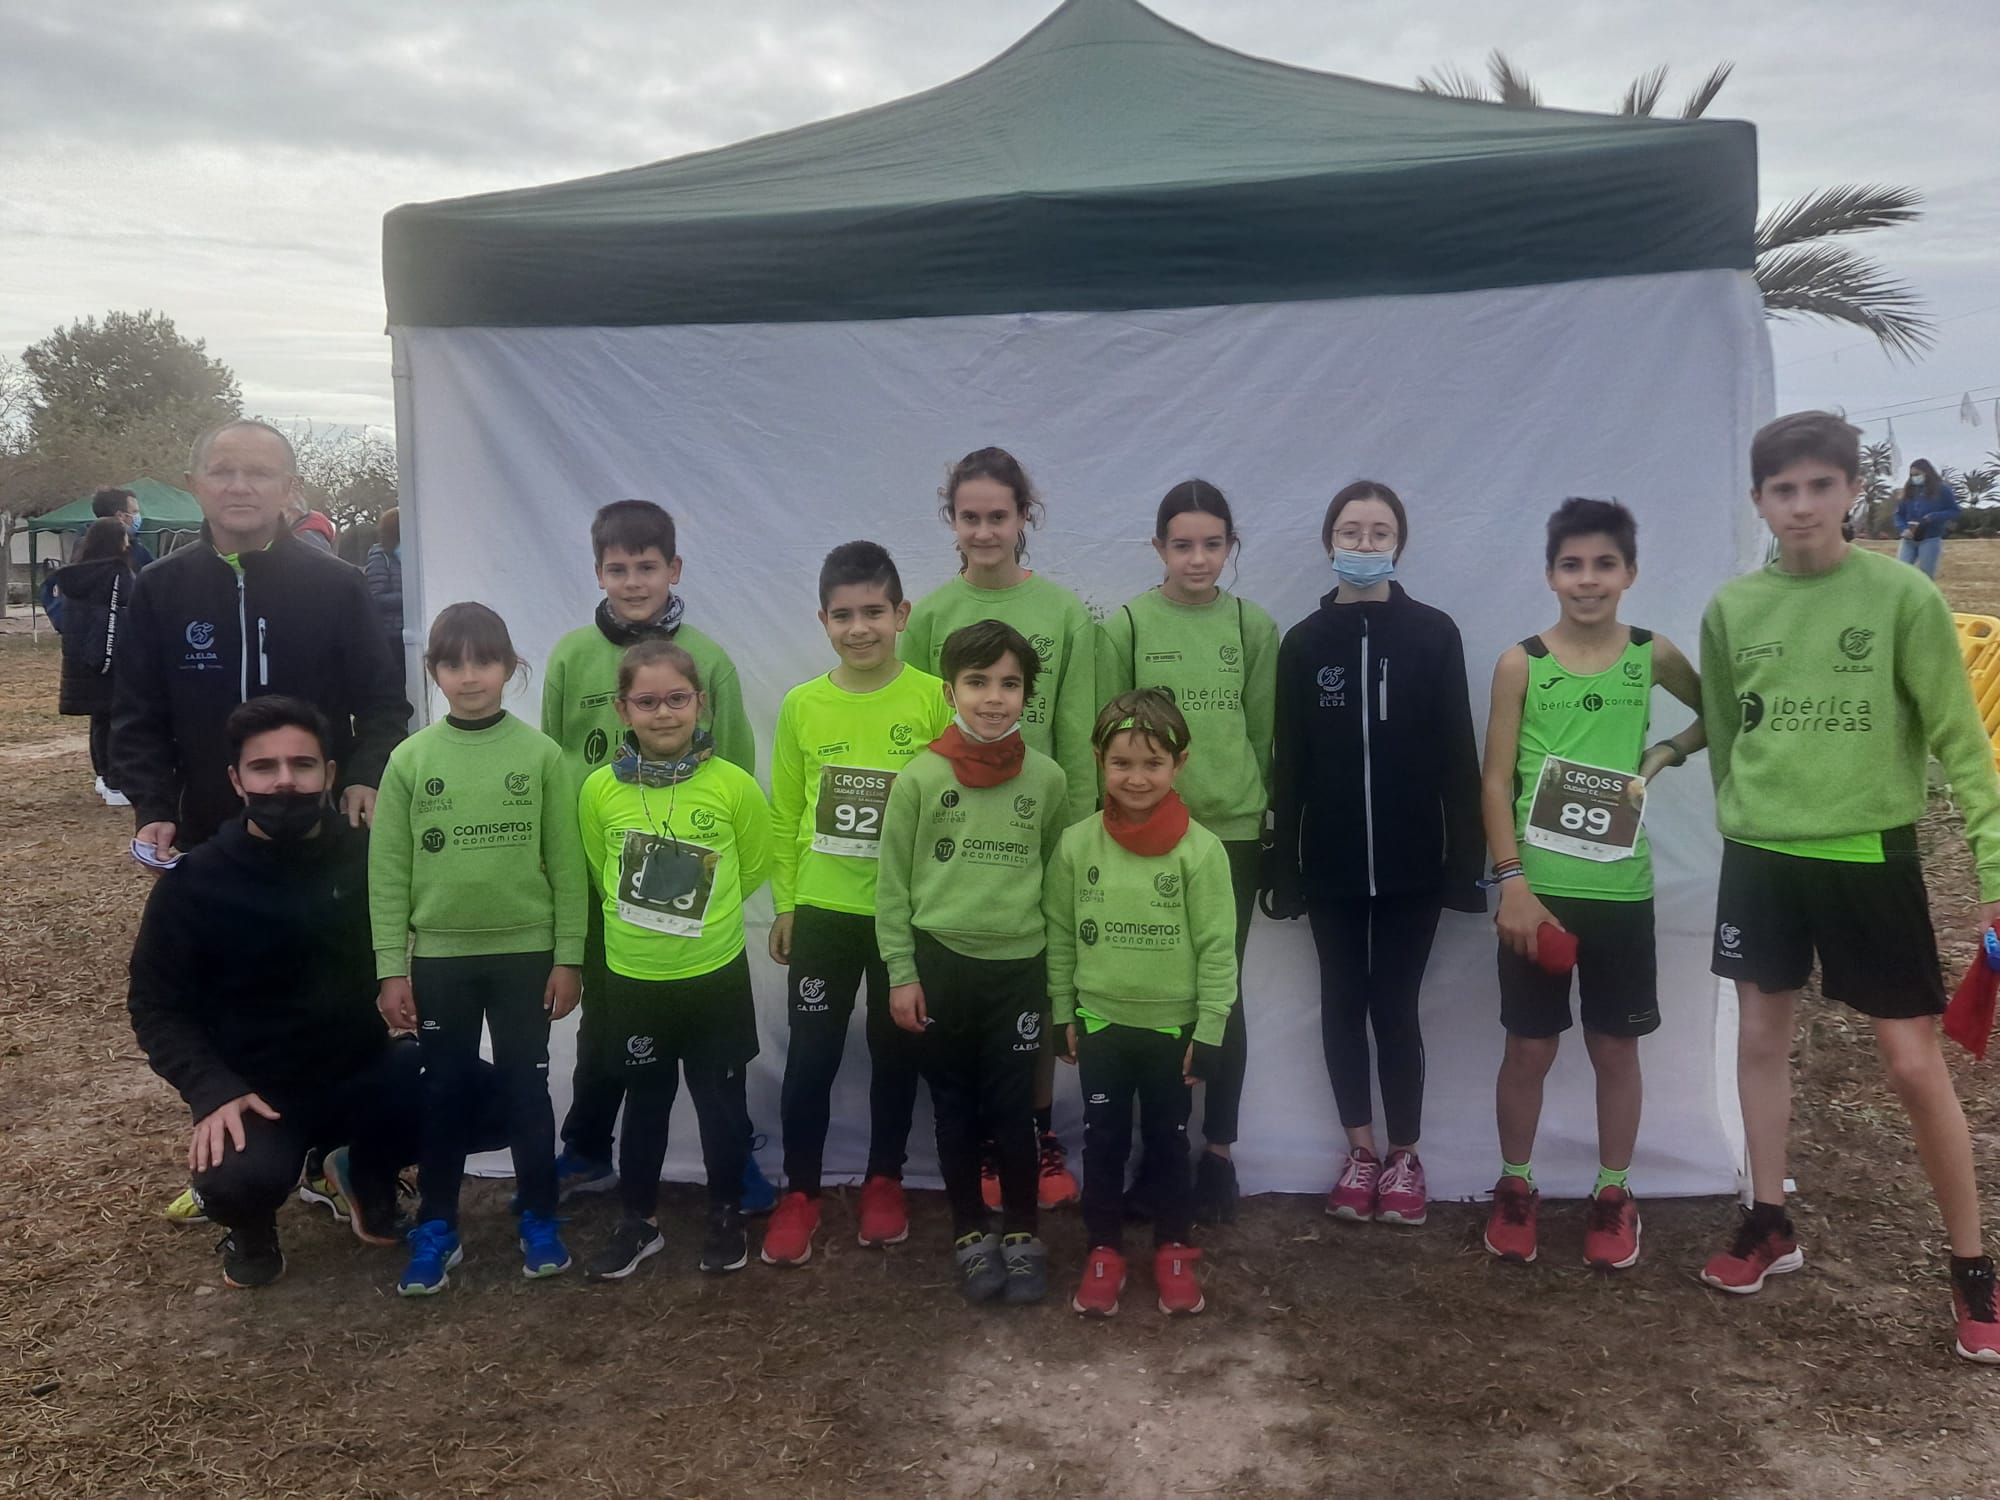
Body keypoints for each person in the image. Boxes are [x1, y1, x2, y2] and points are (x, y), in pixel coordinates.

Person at [1699, 411, 1999, 1364]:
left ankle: (1973, 1269)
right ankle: (1769, 1221)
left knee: (1912, 1066)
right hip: (1762, 860)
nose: (1801, 506)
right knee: (1759, 1040)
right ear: (1758, 502)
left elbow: (1961, 741)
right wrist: (1745, 820)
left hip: (1869, 855)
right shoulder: (1732, 610)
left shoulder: (1903, 596)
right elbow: (1724, 731)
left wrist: (1995, 870)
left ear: (1851, 493)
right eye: (1782, 491)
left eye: (1820, 486)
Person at [1478, 498, 1704, 1270]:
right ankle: (1516, 1185)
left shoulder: (1650, 653)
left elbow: (1719, 714)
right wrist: (1511, 881)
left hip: (1621, 892)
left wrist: (1668, 751)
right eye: (1572, 565)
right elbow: (1495, 780)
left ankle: (1613, 1192)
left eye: (1604, 564)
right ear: (1550, 575)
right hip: (1537, 895)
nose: (1587, 579)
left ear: (1630, 573)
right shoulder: (1522, 663)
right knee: (1529, 1049)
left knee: (1616, 1048)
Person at [127, 697, 413, 1289]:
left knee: (483, 1100)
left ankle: (362, 1168)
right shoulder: (194, 883)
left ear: (331, 774)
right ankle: (251, 1228)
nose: (285, 781)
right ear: (236, 780)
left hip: (359, 1066)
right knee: (233, 1180)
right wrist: (212, 1090)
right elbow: (155, 1005)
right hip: (257, 1093)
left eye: (303, 765)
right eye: (265, 768)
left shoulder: (373, 858)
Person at [1266, 481, 1483, 1229]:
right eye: (1351, 532)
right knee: (1340, 1002)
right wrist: (1282, 867)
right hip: (1327, 864)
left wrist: (1464, 866)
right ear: (1330, 541)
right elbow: (1286, 764)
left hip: (1412, 864)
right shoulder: (1302, 643)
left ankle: (1405, 1157)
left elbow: (1460, 752)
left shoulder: (1433, 634)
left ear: (1400, 543)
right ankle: (1358, 1152)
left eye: (1378, 531)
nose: (1364, 544)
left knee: (1395, 1007)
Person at [541, 499, 765, 1208]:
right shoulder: (573, 656)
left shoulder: (710, 659)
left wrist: (715, 880)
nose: (633, 582)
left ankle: (739, 1156)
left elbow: (737, 778)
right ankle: (585, 1149)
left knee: (713, 1046)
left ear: (673, 568)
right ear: (598, 572)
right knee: (605, 1026)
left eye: (647, 567)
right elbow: (556, 762)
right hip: (602, 881)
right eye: (618, 568)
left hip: (694, 898)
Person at [369, 603, 587, 1295]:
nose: (470, 676)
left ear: (510, 666)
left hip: (525, 955)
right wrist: (389, 969)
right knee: (446, 1091)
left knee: (527, 1085)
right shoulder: (410, 759)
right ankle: (438, 1225)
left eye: (484, 661)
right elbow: (389, 874)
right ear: (433, 671)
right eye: (453, 663)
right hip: (441, 961)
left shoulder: (541, 756)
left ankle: (541, 1217)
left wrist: (569, 956)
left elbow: (568, 865)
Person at [900, 448, 1095, 1209]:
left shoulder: (1066, 614)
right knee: (962, 989)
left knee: (1040, 988)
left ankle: (1036, 1134)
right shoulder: (932, 615)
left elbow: (1078, 732)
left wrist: (1078, 836)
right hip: (954, 837)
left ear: (1024, 518)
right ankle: (980, 1140)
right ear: (952, 521)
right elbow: (919, 729)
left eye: (998, 516)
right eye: (970, 517)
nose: (985, 531)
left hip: (1035, 824)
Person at [760, 542, 952, 1266]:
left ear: (902, 614)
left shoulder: (934, 697)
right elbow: (785, 815)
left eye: (874, 611)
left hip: (904, 915)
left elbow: (951, 806)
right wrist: (786, 903)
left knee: (894, 1049)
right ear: (822, 619)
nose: (859, 628)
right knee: (811, 1053)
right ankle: (800, 1191)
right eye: (843, 615)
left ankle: (884, 1179)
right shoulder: (803, 705)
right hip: (823, 910)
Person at [1095, 480, 1276, 1224]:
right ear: (1158, 548)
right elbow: (1105, 735)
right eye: (1182, 544)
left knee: (1217, 993)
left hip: (1229, 837)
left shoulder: (1253, 626)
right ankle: (1155, 1153)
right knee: (1146, 999)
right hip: (1143, 836)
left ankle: (1219, 1155)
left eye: (1212, 544)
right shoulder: (1129, 626)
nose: (1197, 559)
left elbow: (1263, 734)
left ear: (1230, 547)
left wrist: (1263, 819)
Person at [110, 418, 410, 860]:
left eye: (259, 473)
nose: (239, 487)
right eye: (222, 472)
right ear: (194, 484)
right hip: (204, 830)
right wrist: (154, 806)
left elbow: (382, 702)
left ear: (289, 487)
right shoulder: (159, 587)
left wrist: (365, 776)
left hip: (323, 829)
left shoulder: (339, 584)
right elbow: (136, 715)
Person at [879, 619, 1068, 1304]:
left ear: (1028, 694)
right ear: (951, 689)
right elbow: (891, 887)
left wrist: (1059, 986)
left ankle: (1021, 1232)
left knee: (1015, 1111)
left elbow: (1056, 885)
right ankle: (968, 1231)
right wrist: (903, 973)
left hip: (1018, 970)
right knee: (954, 1109)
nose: (994, 698)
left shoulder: (1047, 780)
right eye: (978, 682)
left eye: (1010, 683)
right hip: (941, 966)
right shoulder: (920, 778)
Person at [575, 638, 773, 1281]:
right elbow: (597, 867)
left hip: (713, 975)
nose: (664, 713)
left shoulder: (734, 786)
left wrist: (700, 923)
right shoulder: (599, 792)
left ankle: (724, 1214)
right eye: (647, 701)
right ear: (622, 709)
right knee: (645, 1101)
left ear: (701, 703)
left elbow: (754, 865)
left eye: (677, 699)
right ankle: (638, 1221)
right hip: (634, 977)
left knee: (721, 1103)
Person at [1045, 690, 1237, 1317]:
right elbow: (1060, 933)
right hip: (1101, 1023)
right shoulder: (1076, 846)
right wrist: (1061, 1012)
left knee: (1166, 1140)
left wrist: (1209, 1030)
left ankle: (1174, 1251)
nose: (1136, 777)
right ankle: (1104, 1252)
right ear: (1099, 761)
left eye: (1152, 763)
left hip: (1171, 1029)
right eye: (1121, 763)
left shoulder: (1201, 851)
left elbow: (1217, 950)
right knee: (1101, 1142)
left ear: (1179, 764)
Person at [51, 517, 137, 807]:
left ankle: (103, 776)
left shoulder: (75, 576)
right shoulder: (117, 574)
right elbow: (130, 610)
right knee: (118, 719)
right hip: (113, 655)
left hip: (84, 656)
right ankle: (117, 782)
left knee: (100, 718)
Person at [1893, 458, 1962, 580]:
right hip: (1908, 539)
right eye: (1912, 475)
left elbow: (1954, 511)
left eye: (1917, 474)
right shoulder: (1908, 491)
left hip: (1930, 539)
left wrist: (1934, 517)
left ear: (1927, 473)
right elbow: (1898, 514)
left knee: (1926, 577)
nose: (1914, 478)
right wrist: (1903, 528)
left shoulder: (1942, 490)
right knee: (1900, 571)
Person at [363, 507, 404, 654]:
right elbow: (375, 598)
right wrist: (407, 598)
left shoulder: (409, 556)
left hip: (406, 630)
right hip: (390, 635)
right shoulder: (380, 558)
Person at [92, 486, 155, 570]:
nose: (138, 517)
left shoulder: (83, 549)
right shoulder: (133, 551)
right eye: (134, 512)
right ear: (120, 516)